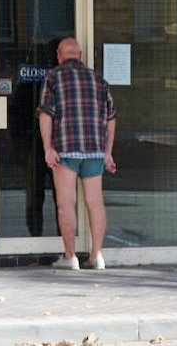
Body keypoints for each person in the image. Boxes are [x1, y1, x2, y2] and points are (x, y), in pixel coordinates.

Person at [36, 37, 117, 270]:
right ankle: (97, 255)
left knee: (66, 204)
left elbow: (45, 115)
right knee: (95, 202)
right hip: (94, 150)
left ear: (59, 56)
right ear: (79, 56)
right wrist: (107, 153)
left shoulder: (53, 77)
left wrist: (47, 148)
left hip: (66, 149)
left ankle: (70, 256)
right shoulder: (99, 80)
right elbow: (111, 119)